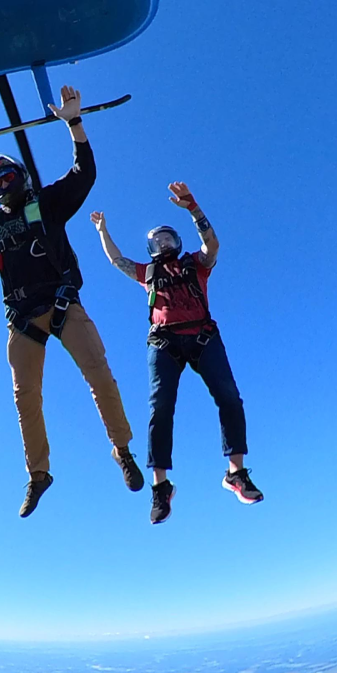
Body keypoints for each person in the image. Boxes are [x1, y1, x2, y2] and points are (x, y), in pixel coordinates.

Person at [0, 85, 144, 516]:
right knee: (25, 397)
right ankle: (38, 475)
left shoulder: (47, 203)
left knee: (99, 374)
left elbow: (83, 174)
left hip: (62, 304)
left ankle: (121, 450)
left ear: (21, 176)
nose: (2, 184)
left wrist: (74, 123)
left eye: (7, 175)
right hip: (22, 320)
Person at [91, 182, 262, 524]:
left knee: (230, 397)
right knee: (161, 408)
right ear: (151, 248)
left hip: (203, 336)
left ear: (178, 242)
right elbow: (116, 260)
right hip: (164, 343)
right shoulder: (148, 274)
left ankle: (236, 474)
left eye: (169, 238)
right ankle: (161, 487)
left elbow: (212, 245)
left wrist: (194, 209)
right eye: (158, 241)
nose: (164, 244)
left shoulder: (195, 265)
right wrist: (102, 231)